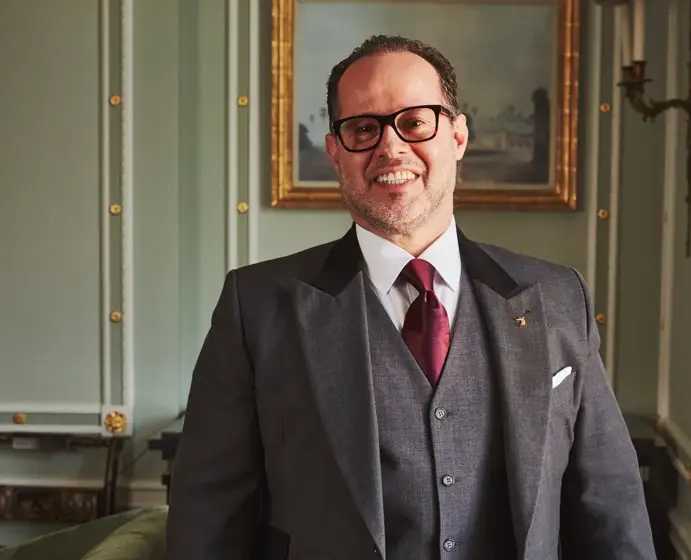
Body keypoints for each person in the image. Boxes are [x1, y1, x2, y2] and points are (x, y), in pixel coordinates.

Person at [166, 35, 656, 560]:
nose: (391, 148)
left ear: (457, 135)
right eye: (363, 128)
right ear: (336, 153)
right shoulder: (257, 306)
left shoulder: (559, 297)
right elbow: (208, 518)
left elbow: (610, 507)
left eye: (415, 122)